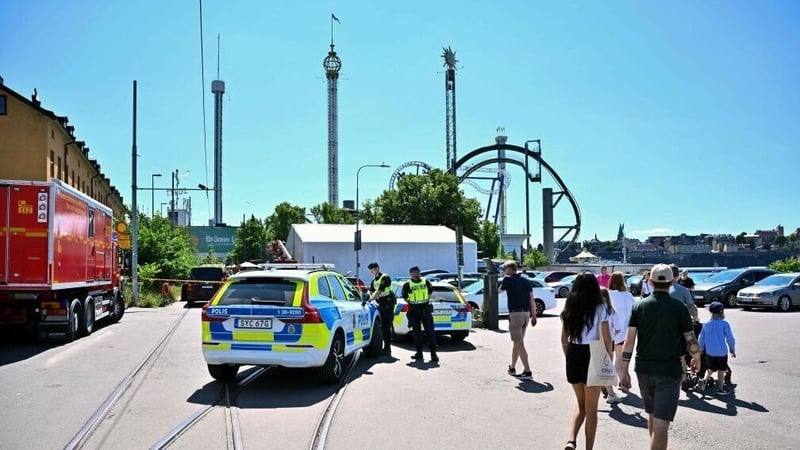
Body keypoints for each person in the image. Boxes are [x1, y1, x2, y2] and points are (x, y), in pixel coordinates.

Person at [618, 264, 701, 450]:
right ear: (673, 281)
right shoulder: (679, 308)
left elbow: (629, 341)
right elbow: (691, 339)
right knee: (662, 425)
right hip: (669, 371)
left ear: (649, 281)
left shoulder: (639, 306)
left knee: (652, 415)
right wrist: (697, 357)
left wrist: (623, 371)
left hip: (644, 370)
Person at [560, 273, 612, 450]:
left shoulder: (570, 306)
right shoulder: (600, 307)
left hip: (574, 353)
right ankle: (588, 448)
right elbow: (607, 338)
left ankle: (571, 440)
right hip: (593, 354)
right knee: (592, 410)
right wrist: (608, 359)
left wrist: (569, 357)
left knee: (580, 405)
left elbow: (564, 339)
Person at [498, 260, 536, 380]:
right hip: (526, 314)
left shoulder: (507, 279)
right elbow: (532, 299)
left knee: (519, 343)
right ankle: (512, 367)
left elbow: (499, 291)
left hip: (515, 314)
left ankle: (528, 371)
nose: (503, 271)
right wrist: (534, 315)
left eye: (504, 269)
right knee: (517, 342)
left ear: (508, 269)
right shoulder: (525, 281)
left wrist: (504, 278)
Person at [604, 272, 635, 403]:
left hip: (608, 332)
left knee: (607, 359)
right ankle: (623, 381)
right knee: (619, 359)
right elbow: (633, 313)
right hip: (624, 332)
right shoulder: (628, 296)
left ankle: (608, 384)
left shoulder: (607, 294)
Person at [401, 266, 438, 362]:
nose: (417, 274)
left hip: (425, 309)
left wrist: (425, 301)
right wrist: (413, 302)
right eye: (415, 272)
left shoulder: (425, 281)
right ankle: (419, 353)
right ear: (411, 274)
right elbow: (405, 297)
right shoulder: (407, 284)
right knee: (417, 333)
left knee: (430, 332)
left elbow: (430, 292)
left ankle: (433, 354)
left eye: (418, 272)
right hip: (414, 310)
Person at [698, 302, 736, 395]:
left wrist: (701, 349)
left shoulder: (706, 324)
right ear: (722, 312)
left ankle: (704, 381)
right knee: (721, 370)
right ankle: (720, 388)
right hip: (721, 352)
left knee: (711, 368)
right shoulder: (724, 324)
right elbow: (730, 338)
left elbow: (701, 338)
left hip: (710, 352)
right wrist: (732, 349)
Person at [367, 262, 395, 356]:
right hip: (380, 304)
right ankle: (383, 347)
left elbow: (379, 291)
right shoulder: (374, 281)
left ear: (378, 268)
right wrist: (372, 297)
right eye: (371, 270)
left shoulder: (385, 277)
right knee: (381, 328)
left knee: (386, 327)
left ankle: (387, 349)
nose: (373, 271)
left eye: (374, 269)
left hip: (388, 304)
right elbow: (371, 291)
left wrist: (371, 299)